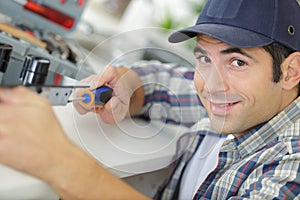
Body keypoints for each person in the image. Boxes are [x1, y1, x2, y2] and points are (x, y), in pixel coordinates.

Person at [0, 0, 299, 199]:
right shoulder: (245, 103)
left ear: (290, 72)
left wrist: (57, 161)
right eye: (204, 58)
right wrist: (129, 86)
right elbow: (163, 84)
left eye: (237, 63)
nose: (211, 85)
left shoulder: (291, 168)